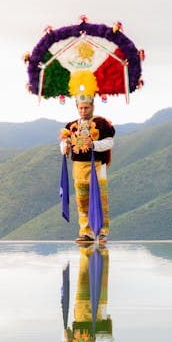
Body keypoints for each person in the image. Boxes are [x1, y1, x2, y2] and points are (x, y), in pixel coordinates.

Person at [60, 93, 114, 243]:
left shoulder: (101, 123)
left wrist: (95, 145)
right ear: (77, 107)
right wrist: (65, 148)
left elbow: (110, 142)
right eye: (80, 108)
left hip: (97, 167)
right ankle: (87, 233)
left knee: (100, 201)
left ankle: (102, 232)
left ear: (92, 106)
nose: (83, 111)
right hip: (78, 168)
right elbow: (65, 142)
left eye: (86, 107)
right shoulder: (71, 126)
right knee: (82, 202)